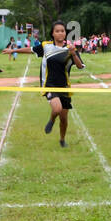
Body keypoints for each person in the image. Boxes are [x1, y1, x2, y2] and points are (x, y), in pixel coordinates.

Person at [36, 19, 85, 147]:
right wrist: (13, 51)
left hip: (65, 87)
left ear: (65, 33)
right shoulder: (46, 46)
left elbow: (80, 66)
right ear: (52, 33)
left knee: (63, 119)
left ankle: (62, 140)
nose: (60, 33)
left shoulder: (70, 49)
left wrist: (74, 54)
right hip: (50, 85)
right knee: (56, 109)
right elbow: (31, 49)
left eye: (62, 31)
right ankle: (51, 120)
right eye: (57, 31)